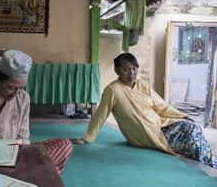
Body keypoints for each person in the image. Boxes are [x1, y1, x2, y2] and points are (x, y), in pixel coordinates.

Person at [71, 52, 217, 168]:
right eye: (126, 69)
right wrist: (87, 137)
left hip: (162, 125)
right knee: (191, 131)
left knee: (193, 132)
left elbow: (161, 106)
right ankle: (212, 165)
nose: (131, 73)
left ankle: (210, 165)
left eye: (134, 69)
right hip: (147, 134)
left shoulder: (142, 84)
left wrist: (182, 115)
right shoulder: (112, 90)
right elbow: (100, 115)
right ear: (117, 70)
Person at [0, 50, 73, 174]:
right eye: (11, 87)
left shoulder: (23, 98)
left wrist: (15, 151)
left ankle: (17, 172)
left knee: (64, 145)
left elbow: (23, 138)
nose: (16, 94)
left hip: (13, 155)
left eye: (21, 88)